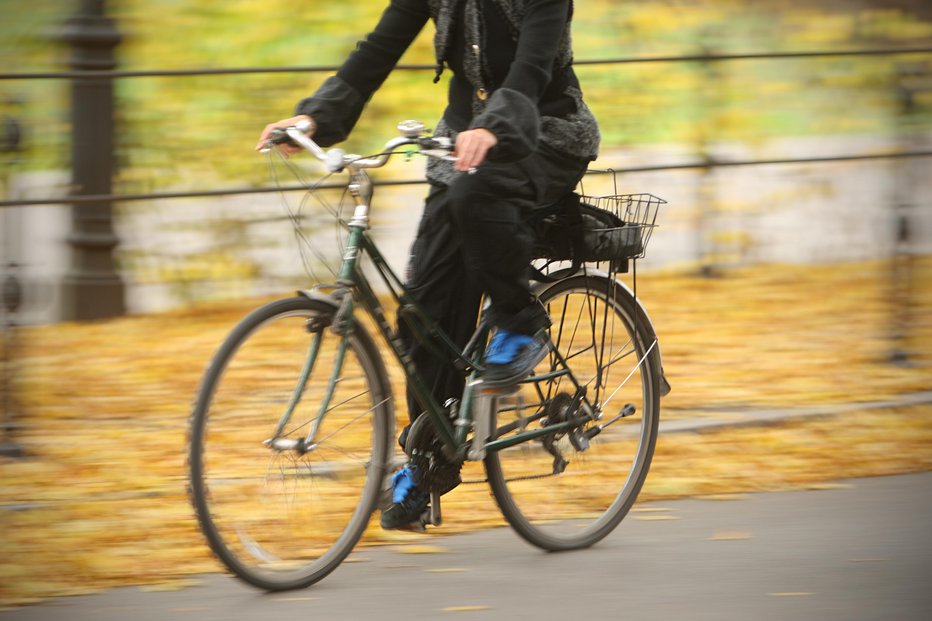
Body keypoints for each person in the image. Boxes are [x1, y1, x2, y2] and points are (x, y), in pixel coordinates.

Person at [258, 0, 600, 530]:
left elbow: (534, 65)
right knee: (419, 316)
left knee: (474, 199)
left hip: (545, 135)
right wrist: (315, 117)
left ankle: (520, 319)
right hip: (460, 147)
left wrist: (495, 126)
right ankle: (430, 459)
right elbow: (377, 49)